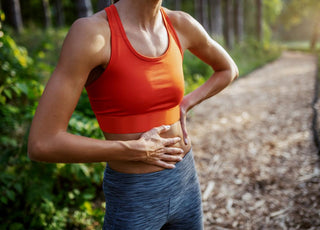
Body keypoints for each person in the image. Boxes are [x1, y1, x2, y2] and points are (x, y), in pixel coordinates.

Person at [28, 0, 238, 229]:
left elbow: (228, 69)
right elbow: (43, 143)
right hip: (134, 194)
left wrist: (186, 103)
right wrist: (133, 150)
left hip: (185, 180)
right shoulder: (92, 33)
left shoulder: (180, 23)